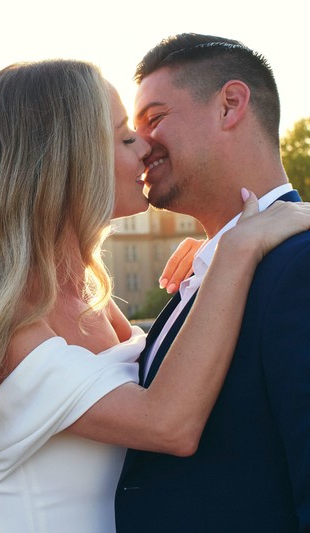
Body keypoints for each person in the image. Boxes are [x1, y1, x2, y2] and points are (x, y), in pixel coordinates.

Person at [0, 59, 310, 532]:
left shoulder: (90, 303)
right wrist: (235, 251)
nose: (145, 147)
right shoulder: (4, 324)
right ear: (66, 161)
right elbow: (168, 422)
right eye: (124, 138)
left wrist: (212, 265)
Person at [114, 33, 310, 532]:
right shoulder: (205, 267)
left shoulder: (299, 265)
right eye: (132, 131)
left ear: (229, 106)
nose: (142, 144)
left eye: (155, 119)